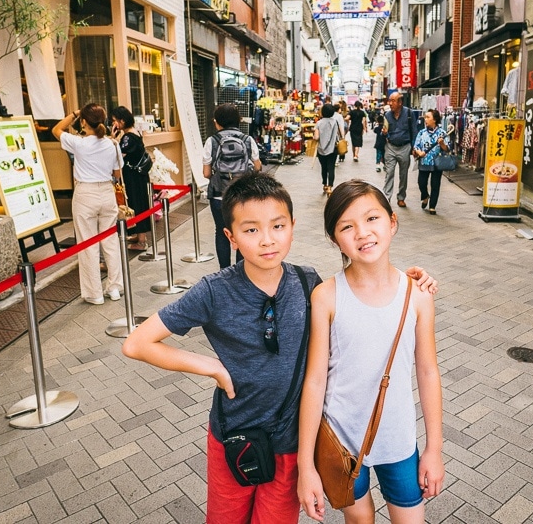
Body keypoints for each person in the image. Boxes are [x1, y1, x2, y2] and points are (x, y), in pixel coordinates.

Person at [122, 172, 438, 524]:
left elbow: (364, 293)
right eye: (251, 230)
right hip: (234, 437)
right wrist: (210, 367)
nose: (267, 240)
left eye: (277, 226)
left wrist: (411, 282)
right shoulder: (214, 290)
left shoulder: (309, 285)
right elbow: (138, 343)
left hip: (290, 443)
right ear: (231, 237)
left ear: (292, 225)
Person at [297, 179, 445, 523]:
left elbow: (428, 371)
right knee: (360, 519)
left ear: (392, 222)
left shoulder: (418, 295)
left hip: (398, 440)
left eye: (372, 219)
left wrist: (434, 449)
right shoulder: (327, 296)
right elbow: (316, 380)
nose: (362, 233)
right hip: (341, 441)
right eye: (347, 226)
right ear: (335, 239)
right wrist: (307, 465)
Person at [52, 103, 123, 305]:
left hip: (85, 194)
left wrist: (74, 113)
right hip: (106, 193)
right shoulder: (112, 145)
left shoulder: (79, 143)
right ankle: (115, 287)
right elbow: (117, 174)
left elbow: (56, 129)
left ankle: (95, 293)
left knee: (88, 244)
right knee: (110, 241)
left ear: (84, 121)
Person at [203, 103, 262, 269]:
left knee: (221, 233)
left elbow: (206, 173)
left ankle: (225, 271)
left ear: (217, 122)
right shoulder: (247, 140)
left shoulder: (211, 141)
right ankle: (240, 271)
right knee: (241, 232)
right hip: (242, 195)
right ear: (238, 121)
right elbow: (257, 167)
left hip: (218, 194)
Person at [110, 106, 151, 250]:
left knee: (137, 205)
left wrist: (112, 139)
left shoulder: (128, 138)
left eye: (115, 121)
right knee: (137, 204)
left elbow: (117, 154)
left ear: (122, 121)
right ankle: (139, 236)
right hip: (138, 176)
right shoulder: (134, 133)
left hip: (134, 177)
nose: (114, 124)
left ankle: (141, 241)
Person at [382, 92, 417, 208]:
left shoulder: (409, 113)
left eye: (393, 101)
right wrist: (384, 133)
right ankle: (387, 197)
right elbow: (384, 131)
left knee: (403, 174)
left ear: (400, 102)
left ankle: (401, 197)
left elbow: (414, 131)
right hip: (391, 147)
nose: (390, 103)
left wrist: (414, 147)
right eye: (389, 100)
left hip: (405, 147)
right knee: (389, 172)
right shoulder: (387, 115)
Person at [413, 109, 449, 215]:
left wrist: (442, 144)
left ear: (435, 119)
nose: (425, 119)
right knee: (421, 182)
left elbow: (447, 149)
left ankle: (432, 206)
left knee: (435, 184)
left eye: (428, 117)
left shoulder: (442, 133)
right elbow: (416, 146)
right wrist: (419, 153)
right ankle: (425, 196)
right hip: (424, 161)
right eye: (425, 117)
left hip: (437, 162)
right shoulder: (422, 132)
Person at [315, 103, 341, 195]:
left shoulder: (319, 123)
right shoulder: (335, 122)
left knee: (324, 168)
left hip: (321, 150)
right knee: (331, 168)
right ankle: (330, 187)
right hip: (333, 149)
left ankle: (325, 185)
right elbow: (338, 135)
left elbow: (316, 137)